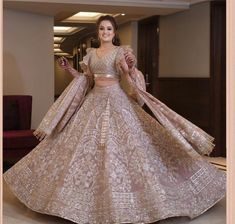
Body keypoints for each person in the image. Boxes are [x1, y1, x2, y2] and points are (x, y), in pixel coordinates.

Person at [4, 15, 225, 224]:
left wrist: (130, 66)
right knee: (79, 147)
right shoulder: (90, 54)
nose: (105, 32)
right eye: (102, 28)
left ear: (114, 32)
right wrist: (69, 68)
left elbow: (129, 71)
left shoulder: (121, 51)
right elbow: (87, 80)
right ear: (97, 31)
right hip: (93, 101)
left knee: (130, 147)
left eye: (109, 28)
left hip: (117, 100)